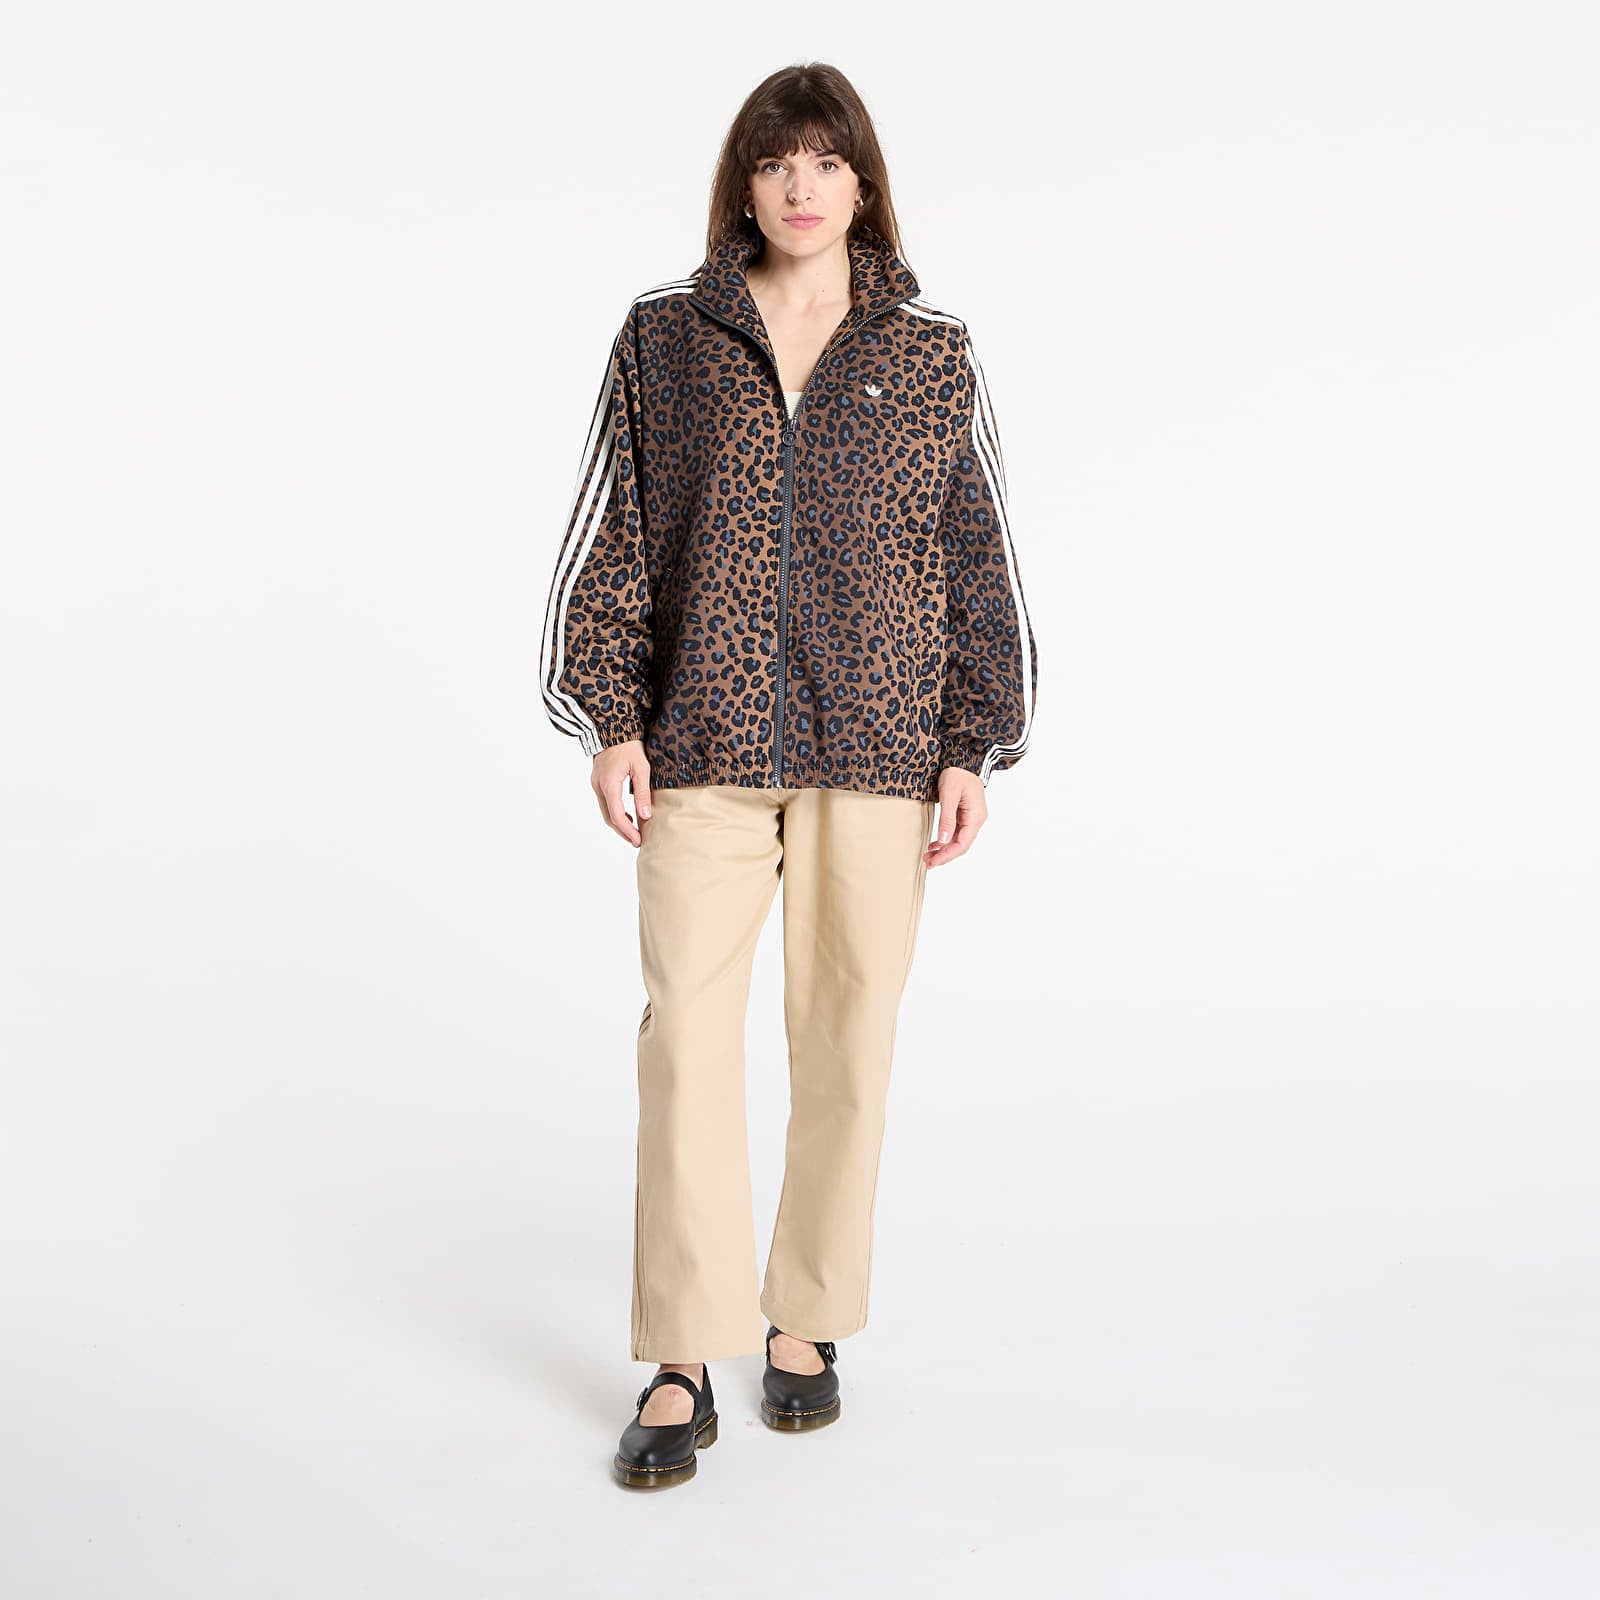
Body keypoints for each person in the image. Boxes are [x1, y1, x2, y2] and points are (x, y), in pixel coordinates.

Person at [539, 61, 1039, 1490]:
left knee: (848, 1039)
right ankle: (682, 1354)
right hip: (701, 734)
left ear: (862, 184)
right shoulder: (668, 338)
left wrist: (971, 739)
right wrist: (612, 716)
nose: (801, 186)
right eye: (776, 162)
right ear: (744, 185)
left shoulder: (930, 353)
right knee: (686, 1040)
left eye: (825, 161)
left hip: (878, 742)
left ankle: (806, 1320)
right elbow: (619, 530)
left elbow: (974, 552)